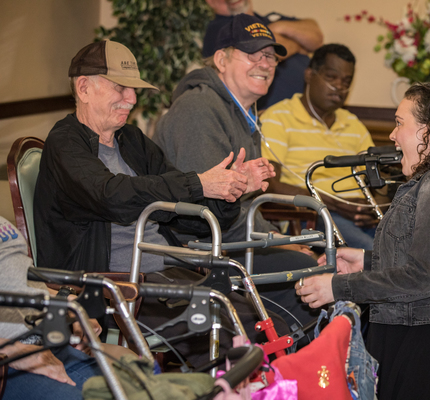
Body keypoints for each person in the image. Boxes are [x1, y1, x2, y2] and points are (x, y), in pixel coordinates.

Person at [32, 39, 276, 367]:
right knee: (238, 344)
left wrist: (231, 190)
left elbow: (186, 218)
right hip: (113, 287)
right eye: (121, 88)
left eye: (133, 90)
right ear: (85, 88)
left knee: (270, 328)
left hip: (168, 275)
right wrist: (199, 183)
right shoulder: (65, 144)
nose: (131, 99)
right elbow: (112, 196)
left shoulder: (131, 140)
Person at [295, 82, 430, 399]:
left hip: (429, 348)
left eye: (400, 123)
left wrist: (336, 287)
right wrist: (365, 260)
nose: (392, 135)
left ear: (429, 131)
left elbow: (422, 279)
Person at [154, 13, 320, 327]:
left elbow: (245, 204)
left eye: (270, 56)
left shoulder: (241, 113)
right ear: (221, 59)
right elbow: (205, 214)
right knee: (312, 280)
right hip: (200, 253)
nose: (266, 63)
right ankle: (287, 372)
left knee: (324, 268)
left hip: (234, 242)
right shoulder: (198, 111)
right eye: (252, 54)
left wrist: (276, 237)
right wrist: (275, 241)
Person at [260, 44, 379, 250]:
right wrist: (332, 204)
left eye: (346, 81)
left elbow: (377, 180)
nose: (339, 87)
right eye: (331, 77)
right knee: (372, 253)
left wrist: (371, 209)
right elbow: (269, 185)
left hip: (357, 217)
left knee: (406, 247)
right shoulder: (278, 118)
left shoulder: (354, 125)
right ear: (309, 75)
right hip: (311, 217)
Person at [0, 216, 134, 399]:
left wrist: (69, 303)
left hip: (46, 345)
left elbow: (20, 283)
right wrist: (12, 350)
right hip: (10, 363)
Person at [203, 0, 323, 109]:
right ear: (211, 2)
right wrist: (298, 45)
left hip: (313, 108)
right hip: (274, 114)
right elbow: (271, 50)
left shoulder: (271, 19)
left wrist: (277, 26)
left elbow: (316, 37)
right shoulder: (220, 28)